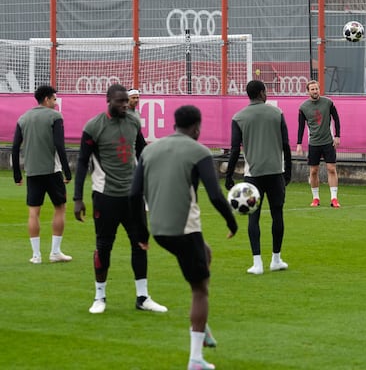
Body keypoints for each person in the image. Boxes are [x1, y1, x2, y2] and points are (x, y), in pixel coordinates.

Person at [130, 105, 238, 370]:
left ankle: (201, 325)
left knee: (206, 253)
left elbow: (134, 194)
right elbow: (214, 194)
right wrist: (232, 221)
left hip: (159, 229)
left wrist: (141, 233)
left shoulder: (150, 149)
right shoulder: (199, 151)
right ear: (197, 127)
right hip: (184, 228)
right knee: (200, 289)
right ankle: (195, 359)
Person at [73, 84, 167, 314]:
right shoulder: (94, 126)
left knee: (141, 243)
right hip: (105, 196)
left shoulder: (134, 122)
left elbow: (142, 151)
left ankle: (143, 297)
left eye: (127, 101)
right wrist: (77, 197)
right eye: (120, 101)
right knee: (104, 246)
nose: (125, 105)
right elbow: (83, 162)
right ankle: (100, 297)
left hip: (133, 195)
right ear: (108, 100)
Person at [226, 80, 292, 275]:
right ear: (262, 93)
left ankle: (257, 263)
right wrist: (288, 171)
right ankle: (276, 259)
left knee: (253, 217)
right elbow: (286, 145)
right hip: (275, 172)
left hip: (252, 174)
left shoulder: (238, 117)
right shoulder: (276, 113)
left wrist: (229, 175)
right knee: (277, 214)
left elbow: (234, 150)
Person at [12, 85, 73, 264]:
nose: (55, 102)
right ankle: (55, 252)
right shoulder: (55, 116)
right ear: (46, 99)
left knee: (33, 212)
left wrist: (17, 173)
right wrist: (67, 170)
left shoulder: (23, 118)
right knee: (60, 208)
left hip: (32, 172)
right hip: (52, 171)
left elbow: (15, 148)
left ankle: (36, 255)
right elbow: (59, 145)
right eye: (54, 99)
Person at [296, 80, 342, 207]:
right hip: (314, 143)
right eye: (312, 89)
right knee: (313, 171)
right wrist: (299, 143)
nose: (315, 91)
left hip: (328, 141)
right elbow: (301, 127)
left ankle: (334, 198)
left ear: (319, 89)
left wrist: (337, 136)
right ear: (308, 91)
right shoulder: (303, 107)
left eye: (316, 88)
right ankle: (316, 198)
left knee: (331, 168)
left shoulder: (328, 102)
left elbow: (336, 119)